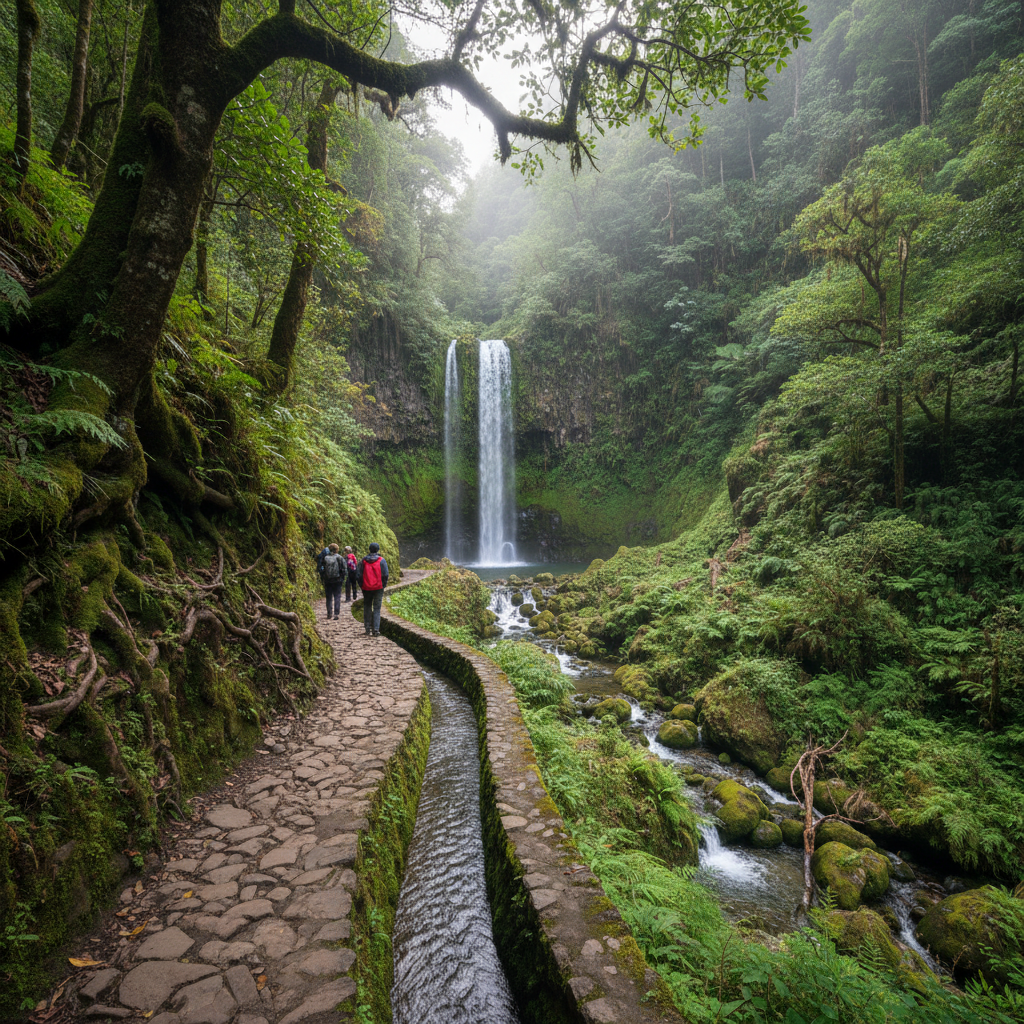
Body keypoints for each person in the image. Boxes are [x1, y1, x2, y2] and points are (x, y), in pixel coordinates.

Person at [357, 542, 389, 636]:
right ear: (377, 549)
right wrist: (383, 585)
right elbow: (385, 574)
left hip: (366, 588)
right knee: (377, 608)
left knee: (367, 606)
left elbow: (358, 575)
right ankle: (376, 630)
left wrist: (362, 585)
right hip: (378, 587)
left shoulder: (363, 560)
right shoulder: (382, 560)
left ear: (369, 549)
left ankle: (367, 629)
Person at [321, 543, 345, 620]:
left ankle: (329, 613)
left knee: (329, 597)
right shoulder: (340, 558)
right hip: (337, 580)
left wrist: (323, 578)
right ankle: (336, 614)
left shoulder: (325, 558)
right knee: (337, 597)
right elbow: (344, 569)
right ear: (337, 549)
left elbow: (322, 569)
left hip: (328, 580)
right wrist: (342, 578)